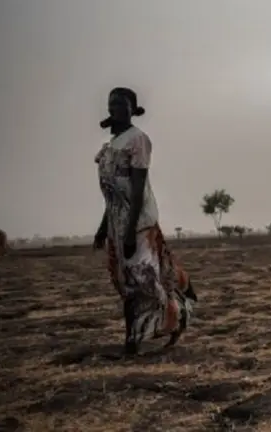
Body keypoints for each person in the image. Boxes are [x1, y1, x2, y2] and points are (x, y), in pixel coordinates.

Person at [94, 87, 197, 355]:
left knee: (144, 278)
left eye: (122, 104)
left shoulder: (138, 140)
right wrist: (104, 227)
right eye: (112, 104)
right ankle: (132, 340)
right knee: (126, 283)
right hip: (117, 222)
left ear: (132, 109)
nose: (115, 108)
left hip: (138, 222)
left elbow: (137, 190)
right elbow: (113, 195)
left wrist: (130, 232)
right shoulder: (110, 146)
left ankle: (176, 315)